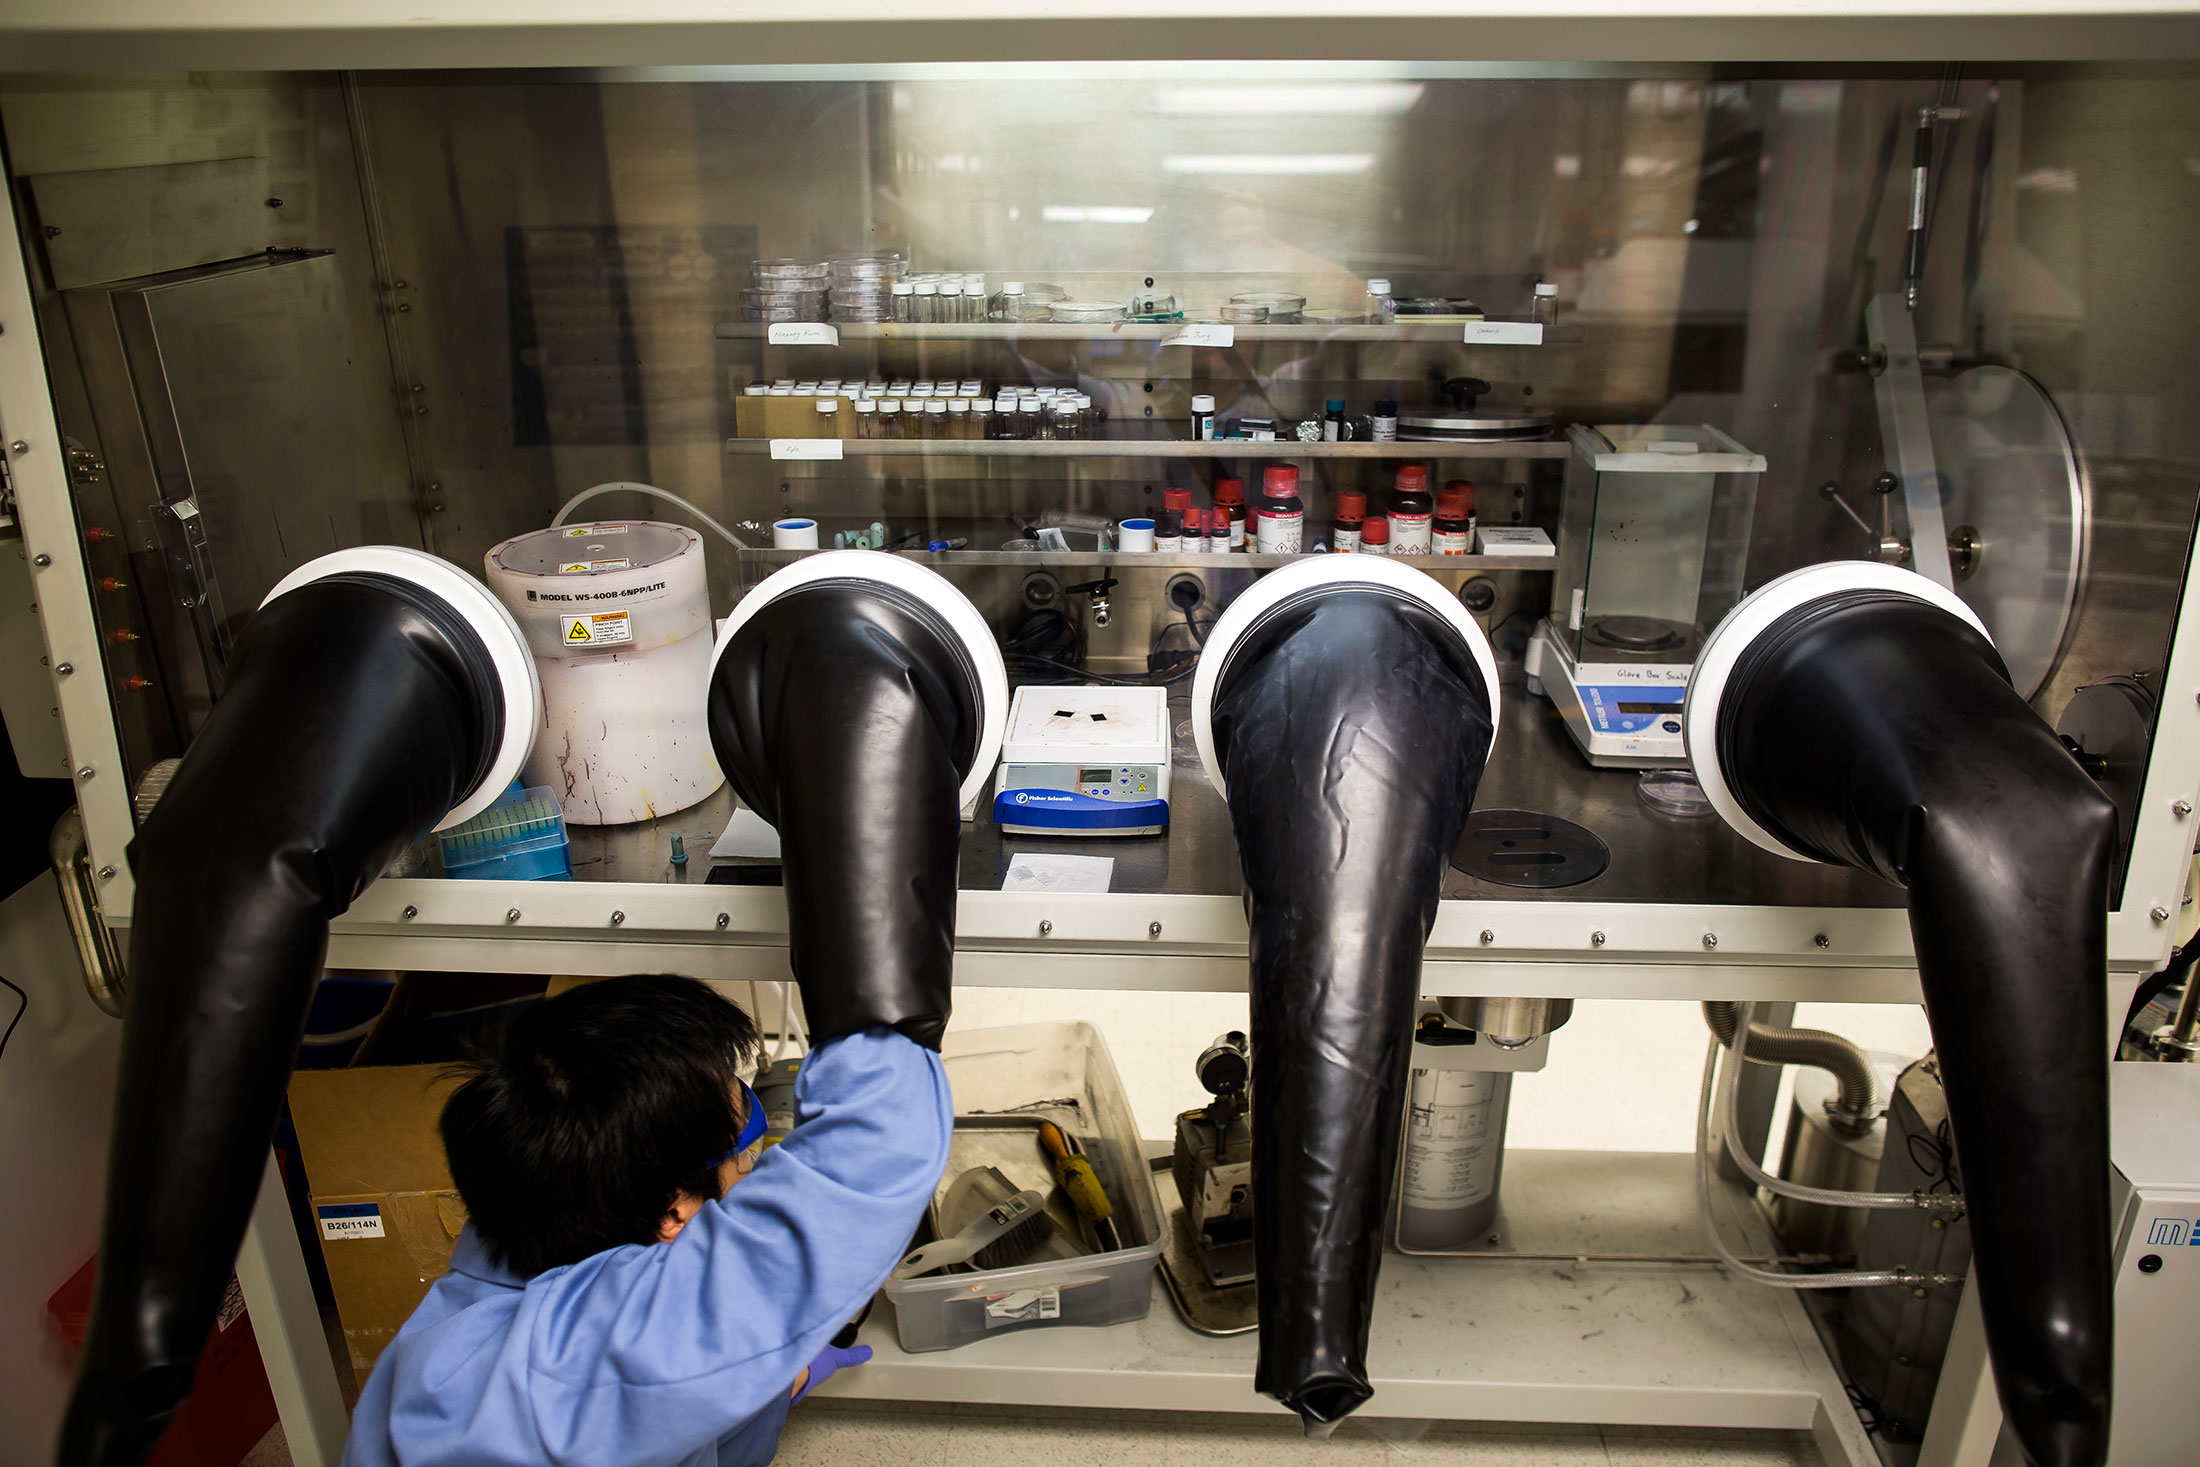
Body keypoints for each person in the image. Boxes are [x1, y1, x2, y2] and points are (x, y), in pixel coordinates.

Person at [340, 974, 952, 1467]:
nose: (754, 1169)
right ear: (672, 1211)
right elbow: (874, 1150)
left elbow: (665, 1403)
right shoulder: (553, 1379)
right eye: (747, 1153)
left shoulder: (535, 1216)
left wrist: (770, 1383)